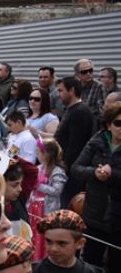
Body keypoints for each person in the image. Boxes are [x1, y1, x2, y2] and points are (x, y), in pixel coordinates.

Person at [72, 102, 121, 273]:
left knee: (117, 267)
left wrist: (112, 175)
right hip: (94, 213)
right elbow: (76, 168)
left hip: (118, 216)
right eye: (118, 123)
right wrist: (95, 173)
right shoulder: (97, 140)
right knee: (91, 261)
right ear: (109, 124)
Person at [54, 76, 97, 207]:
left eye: (61, 90)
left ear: (71, 90)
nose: (58, 95)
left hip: (71, 173)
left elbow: (76, 145)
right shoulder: (72, 110)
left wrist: (64, 167)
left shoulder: (80, 112)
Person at [28, 139, 67, 259]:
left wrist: (38, 186)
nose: (37, 155)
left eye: (39, 152)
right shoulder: (39, 168)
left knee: (43, 235)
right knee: (33, 234)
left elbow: (57, 191)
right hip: (34, 207)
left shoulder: (57, 171)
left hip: (46, 210)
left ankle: (42, 258)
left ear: (47, 154)